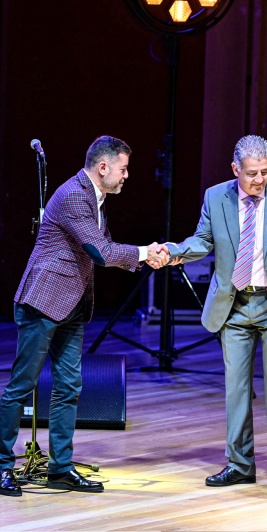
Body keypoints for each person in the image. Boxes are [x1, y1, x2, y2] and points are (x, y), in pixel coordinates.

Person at [0, 135, 170, 497]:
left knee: (69, 387)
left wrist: (147, 257)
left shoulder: (96, 197)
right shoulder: (75, 195)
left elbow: (105, 249)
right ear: (103, 167)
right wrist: (145, 252)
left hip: (72, 305)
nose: (127, 175)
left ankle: (60, 468)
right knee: (21, 386)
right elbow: (101, 251)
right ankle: (1, 466)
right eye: (123, 168)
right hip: (43, 302)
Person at [164, 134, 267, 496]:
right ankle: (239, 465)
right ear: (235, 169)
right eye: (252, 173)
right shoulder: (216, 197)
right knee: (236, 388)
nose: (259, 180)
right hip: (235, 305)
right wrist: (175, 251)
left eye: (265, 172)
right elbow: (202, 240)